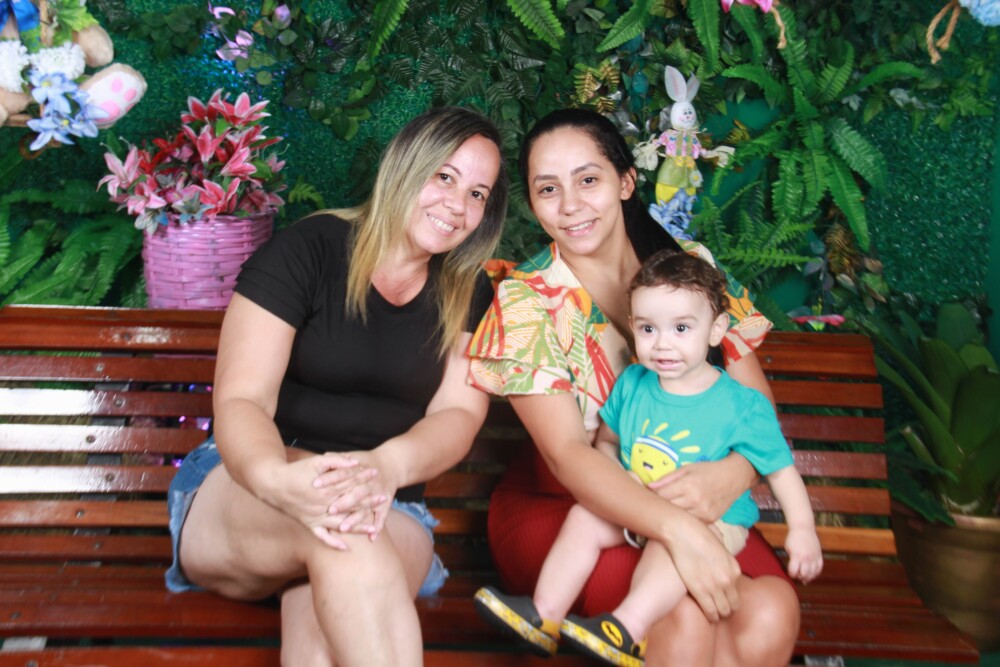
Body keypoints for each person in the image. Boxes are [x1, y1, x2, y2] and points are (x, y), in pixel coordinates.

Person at [165, 106, 508, 667]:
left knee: (333, 588)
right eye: (444, 176)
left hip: (389, 503)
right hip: (249, 485)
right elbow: (243, 399)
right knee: (345, 534)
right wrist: (275, 479)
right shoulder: (309, 249)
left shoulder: (468, 293)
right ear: (404, 166)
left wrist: (386, 468)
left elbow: (458, 416)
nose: (457, 204)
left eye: (477, 194)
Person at [466, 108, 801, 666]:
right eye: (548, 189)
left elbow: (755, 406)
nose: (570, 205)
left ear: (625, 182)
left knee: (772, 611)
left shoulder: (692, 268)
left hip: (695, 498)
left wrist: (732, 474)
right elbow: (568, 455)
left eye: (588, 180)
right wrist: (679, 531)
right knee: (684, 618)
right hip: (573, 510)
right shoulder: (526, 300)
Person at [475, 250, 823, 666]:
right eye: (647, 329)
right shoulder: (635, 383)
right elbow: (606, 442)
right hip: (641, 503)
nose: (662, 344)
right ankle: (543, 615)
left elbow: (780, 470)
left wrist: (802, 530)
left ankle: (626, 627)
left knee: (671, 552)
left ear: (716, 330)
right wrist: (617, 478)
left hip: (711, 520)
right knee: (585, 518)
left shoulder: (741, 404)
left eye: (681, 328)